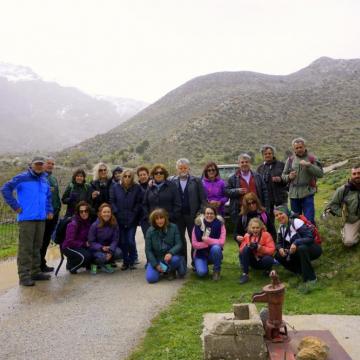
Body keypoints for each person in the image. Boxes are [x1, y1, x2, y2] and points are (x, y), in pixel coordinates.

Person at [1, 156, 53, 286]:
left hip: (41, 218)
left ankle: (35, 272)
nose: (39, 166)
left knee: (37, 247)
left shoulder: (44, 180)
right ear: (31, 165)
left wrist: (49, 210)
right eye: (37, 164)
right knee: (26, 248)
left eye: (41, 164)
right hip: (27, 219)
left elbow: (48, 197)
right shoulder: (22, 177)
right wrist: (15, 206)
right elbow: (5, 189)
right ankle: (24, 276)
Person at [170, 158, 206, 266]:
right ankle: (182, 263)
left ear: (188, 168)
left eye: (185, 167)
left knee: (194, 239)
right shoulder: (172, 181)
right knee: (179, 241)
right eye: (180, 168)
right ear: (177, 169)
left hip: (192, 215)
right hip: (178, 217)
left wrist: (199, 213)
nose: (183, 170)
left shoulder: (196, 181)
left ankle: (195, 262)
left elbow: (203, 200)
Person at [274, 205, 322, 283]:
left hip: (313, 249)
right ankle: (300, 271)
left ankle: (311, 278)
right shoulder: (281, 228)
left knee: (301, 248)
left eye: (281, 213)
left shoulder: (296, 222)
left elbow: (309, 238)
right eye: (276, 215)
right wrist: (280, 248)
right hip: (296, 251)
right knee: (278, 255)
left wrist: (296, 242)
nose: (279, 216)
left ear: (286, 213)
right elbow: (278, 243)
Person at [282, 138, 323, 224]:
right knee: (295, 220)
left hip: (307, 193)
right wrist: (289, 176)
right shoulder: (290, 160)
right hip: (293, 195)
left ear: (304, 147)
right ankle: (299, 237)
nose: (299, 149)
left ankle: (312, 236)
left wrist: (309, 166)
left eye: (301, 147)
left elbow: (320, 174)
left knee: (309, 220)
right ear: (294, 149)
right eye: (297, 148)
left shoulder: (312, 158)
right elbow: (283, 176)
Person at [110, 169, 142, 270]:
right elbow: (112, 201)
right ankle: (125, 261)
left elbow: (139, 202)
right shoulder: (115, 187)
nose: (127, 178)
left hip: (132, 219)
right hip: (119, 219)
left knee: (130, 241)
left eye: (129, 176)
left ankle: (132, 261)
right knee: (123, 241)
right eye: (125, 176)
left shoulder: (136, 187)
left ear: (132, 177)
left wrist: (134, 212)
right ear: (122, 177)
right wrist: (116, 212)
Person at [225, 153, 269, 225]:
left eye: (246, 162)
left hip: (256, 209)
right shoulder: (232, 178)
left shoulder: (258, 176)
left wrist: (266, 207)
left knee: (257, 229)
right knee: (243, 230)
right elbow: (226, 191)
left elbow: (265, 192)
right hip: (241, 210)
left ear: (250, 163)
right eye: (242, 162)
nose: (244, 164)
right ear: (239, 164)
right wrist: (237, 191)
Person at [145, 208, 186, 283]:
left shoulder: (174, 227)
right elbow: (148, 250)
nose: (159, 220)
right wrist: (155, 265)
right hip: (158, 259)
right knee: (151, 279)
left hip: (170, 257)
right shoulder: (150, 231)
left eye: (161, 218)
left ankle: (171, 269)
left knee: (179, 267)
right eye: (157, 219)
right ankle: (166, 270)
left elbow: (179, 244)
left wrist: (171, 253)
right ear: (153, 220)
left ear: (165, 218)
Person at [325, 164, 360, 247]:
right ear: (351, 175)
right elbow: (333, 205)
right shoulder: (343, 190)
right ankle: (350, 231)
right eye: (354, 174)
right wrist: (344, 214)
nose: (357, 176)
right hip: (352, 220)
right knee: (349, 242)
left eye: (359, 173)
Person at [191, 206, 226, 281]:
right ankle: (202, 266)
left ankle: (216, 271)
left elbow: (222, 242)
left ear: (215, 214)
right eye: (207, 213)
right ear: (204, 214)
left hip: (213, 253)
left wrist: (208, 240)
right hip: (200, 254)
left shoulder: (220, 224)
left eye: (211, 213)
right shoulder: (197, 224)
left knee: (216, 248)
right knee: (201, 273)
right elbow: (194, 244)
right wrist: (207, 244)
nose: (209, 215)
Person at [238, 218, 276, 284]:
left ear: (261, 227)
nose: (255, 230)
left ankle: (267, 270)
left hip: (263, 260)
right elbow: (241, 251)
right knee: (246, 249)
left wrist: (260, 248)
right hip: (253, 260)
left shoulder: (266, 235)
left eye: (257, 228)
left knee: (268, 259)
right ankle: (245, 274)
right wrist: (248, 246)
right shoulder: (247, 236)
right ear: (250, 228)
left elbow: (272, 250)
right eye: (253, 228)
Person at [88, 203, 122, 274]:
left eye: (108, 212)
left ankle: (106, 263)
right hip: (97, 249)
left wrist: (111, 250)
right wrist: (101, 247)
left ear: (111, 213)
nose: (106, 214)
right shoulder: (94, 225)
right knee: (102, 257)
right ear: (100, 213)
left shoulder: (114, 224)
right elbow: (91, 242)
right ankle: (95, 263)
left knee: (119, 253)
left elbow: (115, 239)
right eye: (104, 212)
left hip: (109, 248)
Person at [40, 156, 61, 272]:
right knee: (41, 240)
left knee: (47, 239)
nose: (51, 165)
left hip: (54, 213)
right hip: (45, 214)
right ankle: (38, 265)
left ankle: (42, 263)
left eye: (52, 164)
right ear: (43, 164)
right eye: (48, 163)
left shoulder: (53, 178)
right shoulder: (40, 178)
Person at [257, 145, 288, 221]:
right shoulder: (260, 168)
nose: (268, 155)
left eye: (269, 153)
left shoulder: (281, 165)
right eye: (265, 154)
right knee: (269, 220)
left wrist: (280, 179)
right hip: (267, 200)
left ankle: (286, 231)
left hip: (280, 197)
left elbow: (288, 178)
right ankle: (272, 233)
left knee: (284, 217)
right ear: (263, 155)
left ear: (273, 154)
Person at [62, 201, 92, 274]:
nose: (84, 213)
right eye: (81, 212)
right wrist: (84, 244)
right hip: (68, 247)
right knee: (85, 257)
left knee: (92, 254)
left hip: (79, 245)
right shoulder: (73, 224)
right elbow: (69, 241)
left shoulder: (88, 222)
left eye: (86, 211)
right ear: (78, 213)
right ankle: (72, 267)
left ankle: (72, 261)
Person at [137, 166, 150, 237]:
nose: (142, 176)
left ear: (148, 175)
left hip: (156, 217)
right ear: (138, 177)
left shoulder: (154, 185)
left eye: (144, 174)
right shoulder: (136, 188)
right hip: (144, 219)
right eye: (140, 175)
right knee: (148, 239)